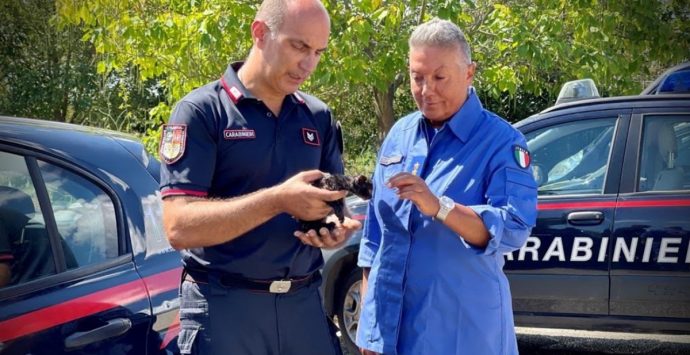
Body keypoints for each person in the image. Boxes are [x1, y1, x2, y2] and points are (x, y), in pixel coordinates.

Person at [159, 1, 360, 354]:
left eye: (318, 52)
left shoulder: (317, 117)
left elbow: (332, 206)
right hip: (224, 309)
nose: (308, 64)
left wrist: (333, 229)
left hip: (304, 306)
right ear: (260, 33)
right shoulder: (202, 112)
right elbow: (179, 227)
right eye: (299, 46)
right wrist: (277, 200)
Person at [356, 19, 538, 355]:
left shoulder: (502, 142)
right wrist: (370, 329)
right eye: (417, 77)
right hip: (392, 335)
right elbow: (375, 238)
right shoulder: (400, 134)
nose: (427, 90)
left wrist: (439, 206)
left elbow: (512, 229)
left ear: (469, 73)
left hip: (462, 334)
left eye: (439, 77)